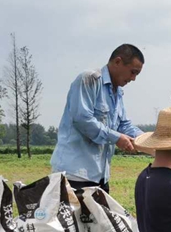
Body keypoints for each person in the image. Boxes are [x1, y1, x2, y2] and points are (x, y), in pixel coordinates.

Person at [50, 44, 145, 192]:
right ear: (118, 62)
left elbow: (123, 125)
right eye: (133, 72)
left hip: (100, 176)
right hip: (75, 174)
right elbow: (83, 120)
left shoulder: (118, 92)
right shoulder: (89, 79)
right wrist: (117, 138)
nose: (133, 78)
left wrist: (146, 139)